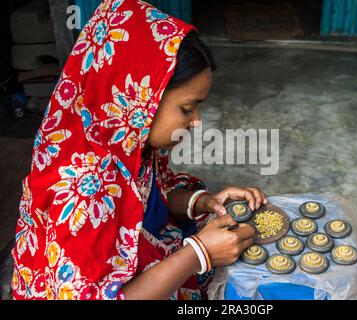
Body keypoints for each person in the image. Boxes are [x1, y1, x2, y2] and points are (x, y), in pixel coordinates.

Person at [11, 0, 267, 300]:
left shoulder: (132, 144)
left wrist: (205, 202)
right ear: (137, 99)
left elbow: (149, 200)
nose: (196, 122)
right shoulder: (82, 189)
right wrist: (198, 253)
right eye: (187, 108)